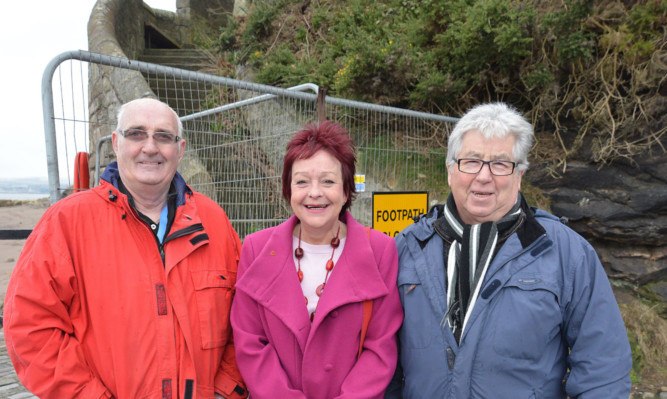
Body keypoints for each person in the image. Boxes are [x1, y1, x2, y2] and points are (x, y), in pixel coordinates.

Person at [4, 98, 247, 399]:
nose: (150, 147)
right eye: (136, 134)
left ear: (180, 149)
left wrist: (226, 387)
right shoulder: (67, 222)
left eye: (163, 136)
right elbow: (31, 327)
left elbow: (249, 316)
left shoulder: (215, 222)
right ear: (117, 143)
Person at [387, 102, 632, 398]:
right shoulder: (408, 248)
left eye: (501, 164)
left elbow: (603, 368)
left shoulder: (565, 252)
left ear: (519, 176)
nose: (484, 176)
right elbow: (382, 362)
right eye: (472, 161)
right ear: (451, 170)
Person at [230, 121, 403, 398]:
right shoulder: (256, 249)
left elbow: (380, 347)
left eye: (328, 181)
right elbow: (250, 342)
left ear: (346, 191)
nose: (314, 192)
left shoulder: (380, 251)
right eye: (301, 182)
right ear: (288, 191)